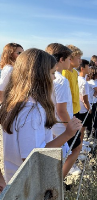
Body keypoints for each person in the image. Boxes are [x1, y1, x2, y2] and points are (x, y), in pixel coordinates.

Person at [0, 48, 82, 183]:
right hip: (32, 184)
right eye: (52, 72)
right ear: (40, 75)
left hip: (16, 179)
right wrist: (67, 134)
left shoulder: (13, 102)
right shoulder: (32, 111)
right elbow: (33, 157)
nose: (54, 77)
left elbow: (25, 140)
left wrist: (49, 136)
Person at [45, 43, 82, 176]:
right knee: (76, 148)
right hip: (62, 125)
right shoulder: (61, 80)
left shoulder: (47, 77)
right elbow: (62, 110)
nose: (69, 61)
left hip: (51, 123)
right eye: (68, 58)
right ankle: (59, 180)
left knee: (56, 154)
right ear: (61, 59)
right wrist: (71, 128)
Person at [76, 59, 92, 141]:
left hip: (78, 108)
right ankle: (80, 146)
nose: (89, 68)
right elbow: (85, 99)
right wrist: (89, 109)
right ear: (82, 68)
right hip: (83, 109)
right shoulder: (84, 83)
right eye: (88, 66)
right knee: (82, 129)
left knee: (78, 129)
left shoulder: (77, 78)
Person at [87, 66, 97, 138]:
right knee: (94, 118)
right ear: (93, 74)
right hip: (90, 102)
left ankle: (92, 132)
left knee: (93, 118)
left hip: (93, 101)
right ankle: (93, 133)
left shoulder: (92, 81)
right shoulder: (92, 82)